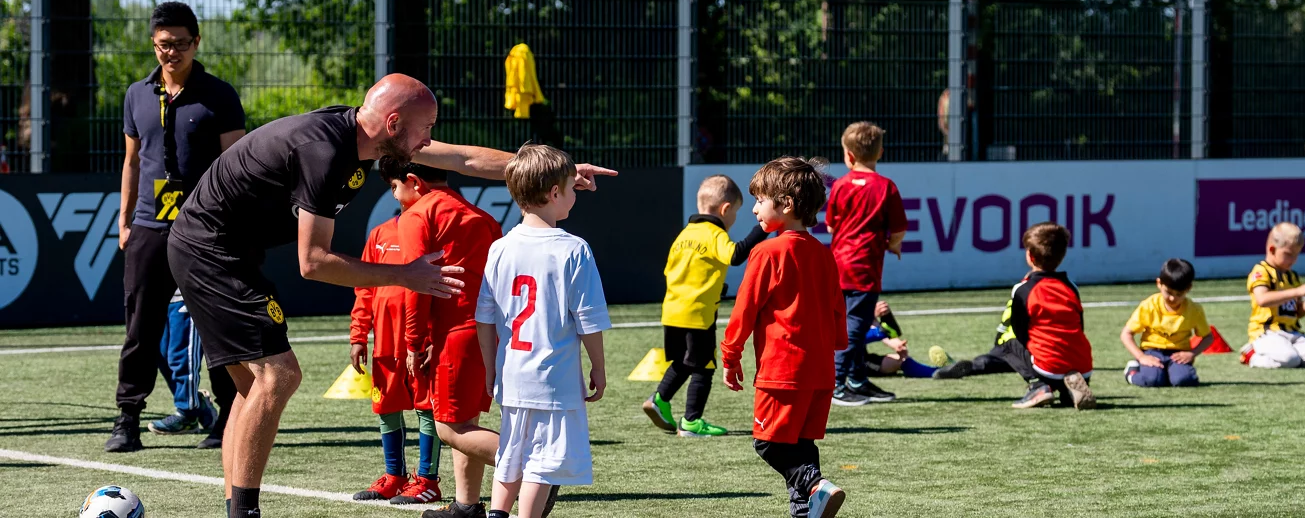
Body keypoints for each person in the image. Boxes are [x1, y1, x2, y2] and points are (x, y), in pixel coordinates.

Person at [166, 73, 615, 518]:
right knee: (278, 376)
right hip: (209, 250)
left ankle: (235, 507)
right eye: (427, 128)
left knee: (251, 389)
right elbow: (313, 262)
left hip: (224, 251)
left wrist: (561, 173)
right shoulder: (323, 152)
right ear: (395, 122)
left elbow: (467, 160)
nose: (429, 140)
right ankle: (244, 512)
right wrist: (406, 274)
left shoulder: (371, 139)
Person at [110, 1, 242, 454]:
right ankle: (127, 418)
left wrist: (230, 224)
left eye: (181, 45)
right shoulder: (136, 94)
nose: (172, 54)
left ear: (196, 42)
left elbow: (235, 167)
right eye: (164, 45)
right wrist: (124, 222)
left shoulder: (219, 95)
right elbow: (131, 162)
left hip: (206, 229)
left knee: (216, 325)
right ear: (153, 44)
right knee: (140, 326)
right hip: (148, 225)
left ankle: (228, 418)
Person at [475, 144, 610, 518]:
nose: (573, 195)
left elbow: (485, 317)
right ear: (554, 193)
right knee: (544, 461)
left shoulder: (499, 248)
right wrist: (597, 367)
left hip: (513, 374)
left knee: (512, 451)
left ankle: (498, 513)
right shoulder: (573, 249)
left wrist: (491, 368)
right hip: (554, 377)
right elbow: (588, 319)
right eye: (570, 187)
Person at [721, 157, 848, 518]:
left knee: (768, 444)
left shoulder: (766, 252)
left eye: (761, 200)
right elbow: (837, 311)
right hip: (820, 371)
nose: (756, 209)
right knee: (801, 444)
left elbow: (743, 312)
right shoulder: (824, 255)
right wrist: (834, 347)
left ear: (787, 204)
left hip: (783, 371)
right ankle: (806, 510)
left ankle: (813, 486)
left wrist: (730, 358)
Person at [387, 154, 504, 518]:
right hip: (489, 331)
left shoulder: (417, 215)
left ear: (413, 180)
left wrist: (413, 343)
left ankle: (535, 472)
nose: (395, 197)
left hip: (454, 334)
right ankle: (467, 507)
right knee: (463, 419)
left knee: (450, 428)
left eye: (394, 187)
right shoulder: (481, 216)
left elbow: (414, 285)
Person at [645, 174, 768, 437]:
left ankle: (659, 400)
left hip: (672, 311)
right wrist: (763, 229)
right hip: (698, 313)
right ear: (725, 209)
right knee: (703, 367)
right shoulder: (714, 233)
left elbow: (673, 271)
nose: (734, 218)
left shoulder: (684, 234)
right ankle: (691, 422)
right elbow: (734, 255)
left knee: (683, 362)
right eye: (734, 212)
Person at [348, 164, 443, 505]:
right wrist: (359, 335)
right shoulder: (380, 234)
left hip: (423, 343)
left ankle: (428, 480)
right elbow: (365, 289)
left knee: (426, 408)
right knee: (385, 405)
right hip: (385, 343)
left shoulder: (435, 233)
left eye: (396, 184)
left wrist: (433, 338)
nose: (394, 191)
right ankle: (394, 476)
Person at [827, 121, 907, 406]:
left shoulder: (840, 186)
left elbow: (831, 227)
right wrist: (892, 245)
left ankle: (856, 379)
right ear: (880, 152)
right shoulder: (886, 187)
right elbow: (898, 230)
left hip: (837, 267)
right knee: (855, 327)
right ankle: (836, 384)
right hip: (864, 270)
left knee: (849, 324)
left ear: (848, 155)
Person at [1003, 223, 1095, 410]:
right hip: (1083, 366)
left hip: (1047, 367)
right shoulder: (1071, 286)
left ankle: (1038, 385)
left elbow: (1020, 330)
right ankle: (1068, 390)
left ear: (1030, 256)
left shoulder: (1023, 289)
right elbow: (1080, 324)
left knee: (1007, 344)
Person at [930, 275, 1044, 386]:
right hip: (1034, 349)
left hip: (1017, 347)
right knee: (997, 359)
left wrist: (999, 345)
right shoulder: (1050, 290)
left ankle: (1037, 383)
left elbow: (1007, 323)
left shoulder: (1022, 291)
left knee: (990, 360)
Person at [1240, 222, 1305, 369]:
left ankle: (1283, 352)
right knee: (1289, 360)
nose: (1293, 260)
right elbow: (1262, 299)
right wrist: (1297, 292)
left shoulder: (1292, 276)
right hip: (1266, 332)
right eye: (1288, 255)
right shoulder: (1261, 271)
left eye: (1296, 255)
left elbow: (1295, 312)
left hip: (1292, 331)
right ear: (1272, 249)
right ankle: (1250, 355)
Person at [1120, 259, 1215, 388]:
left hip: (1178, 353)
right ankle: (1131, 372)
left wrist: (1192, 353)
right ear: (1159, 283)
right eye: (1168, 292)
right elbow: (1126, 334)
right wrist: (1141, 357)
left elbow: (1208, 337)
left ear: (1189, 288)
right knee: (1152, 380)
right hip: (1152, 351)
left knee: (1184, 380)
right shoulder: (1149, 305)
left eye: (1179, 294)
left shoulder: (1194, 310)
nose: (1172, 298)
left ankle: (1171, 372)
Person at [146, 291, 218, 441]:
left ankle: (188, 413)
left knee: (181, 355)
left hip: (187, 291)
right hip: (160, 294)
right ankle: (198, 404)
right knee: (162, 355)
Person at [860, 300, 951, 379]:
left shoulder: (859, 301)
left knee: (901, 360)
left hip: (860, 358)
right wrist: (879, 330)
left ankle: (943, 371)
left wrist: (897, 345)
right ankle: (939, 372)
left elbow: (876, 326)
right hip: (847, 363)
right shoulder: (848, 303)